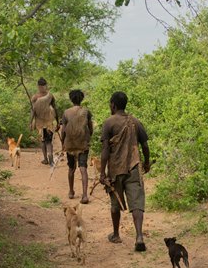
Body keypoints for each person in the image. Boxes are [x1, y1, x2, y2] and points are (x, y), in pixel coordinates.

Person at [98, 90, 150, 252]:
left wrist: (102, 172)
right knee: (137, 203)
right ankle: (139, 236)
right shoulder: (135, 121)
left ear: (112, 105)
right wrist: (146, 163)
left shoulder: (108, 123)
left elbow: (105, 149)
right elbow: (145, 145)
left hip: (115, 169)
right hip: (134, 166)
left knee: (115, 203)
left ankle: (116, 234)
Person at [60, 89, 94, 203]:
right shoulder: (86, 112)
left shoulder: (66, 113)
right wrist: (88, 138)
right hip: (82, 144)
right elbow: (90, 128)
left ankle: (71, 191)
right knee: (83, 168)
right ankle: (84, 195)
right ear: (82, 99)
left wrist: (63, 143)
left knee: (71, 168)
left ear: (71, 99)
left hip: (70, 144)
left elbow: (63, 130)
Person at [29, 77, 59, 165]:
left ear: (38, 86)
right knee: (48, 141)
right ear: (46, 86)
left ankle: (46, 158)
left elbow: (32, 111)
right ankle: (51, 157)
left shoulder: (35, 97)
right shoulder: (50, 96)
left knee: (43, 140)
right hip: (49, 122)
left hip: (40, 123)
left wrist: (30, 122)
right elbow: (55, 108)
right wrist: (57, 121)